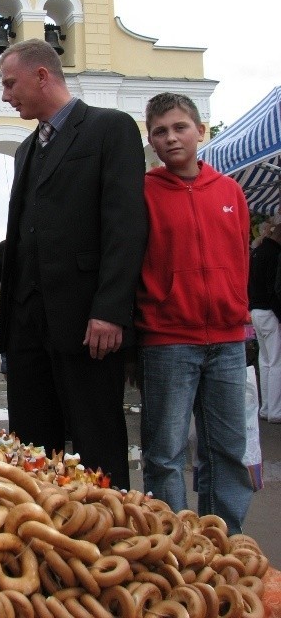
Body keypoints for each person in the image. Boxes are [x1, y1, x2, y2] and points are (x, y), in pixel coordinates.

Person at [0, 38, 147, 487]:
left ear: (41, 75)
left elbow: (125, 227)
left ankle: (109, 537)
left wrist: (110, 310)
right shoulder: (27, 150)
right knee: (33, 454)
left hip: (86, 326)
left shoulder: (111, 129)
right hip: (28, 329)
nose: (4, 95)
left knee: (98, 450)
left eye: (10, 83)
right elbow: (27, 237)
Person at [135, 92, 253, 534]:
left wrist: (237, 311)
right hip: (167, 339)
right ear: (151, 140)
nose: (171, 138)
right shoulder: (144, 192)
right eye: (160, 131)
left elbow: (241, 255)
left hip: (226, 339)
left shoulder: (229, 191)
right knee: (164, 455)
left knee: (226, 451)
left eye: (179, 127)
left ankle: (226, 543)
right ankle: (176, 545)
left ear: (200, 130)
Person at [251, 223, 281, 423]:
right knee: (276, 362)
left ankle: (265, 409)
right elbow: (275, 288)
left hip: (255, 310)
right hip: (270, 312)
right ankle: (275, 411)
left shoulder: (257, 252)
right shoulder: (275, 255)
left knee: (265, 361)